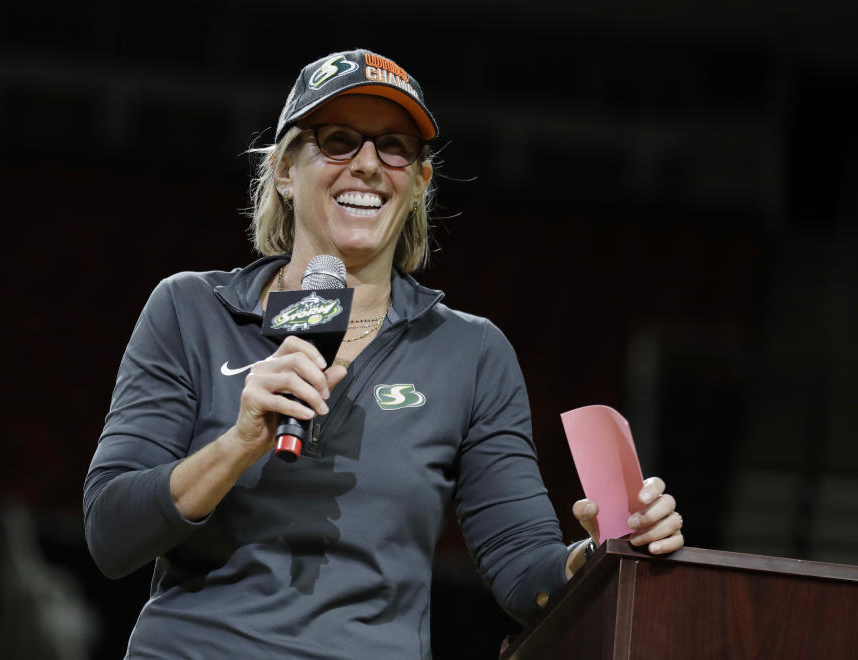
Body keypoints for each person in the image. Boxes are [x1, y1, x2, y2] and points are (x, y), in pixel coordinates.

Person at [83, 48, 684, 658]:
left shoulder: (470, 352)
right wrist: (238, 444)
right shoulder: (190, 310)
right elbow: (111, 534)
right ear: (285, 170)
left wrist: (602, 551)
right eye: (338, 140)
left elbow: (523, 570)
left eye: (395, 147)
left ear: (420, 182)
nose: (368, 164)